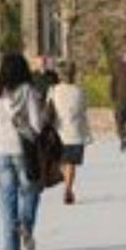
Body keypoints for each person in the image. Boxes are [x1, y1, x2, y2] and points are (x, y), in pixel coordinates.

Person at [0, 53, 43, 250]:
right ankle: (25, 224)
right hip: (22, 150)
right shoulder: (29, 92)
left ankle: (11, 247)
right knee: (31, 191)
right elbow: (37, 126)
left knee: (7, 198)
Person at [47, 61, 91, 205]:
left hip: (58, 133)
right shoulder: (80, 91)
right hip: (75, 132)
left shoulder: (53, 90)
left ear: (60, 75)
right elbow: (84, 110)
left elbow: (48, 110)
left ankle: (65, 183)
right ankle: (68, 188)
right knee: (71, 163)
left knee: (61, 162)